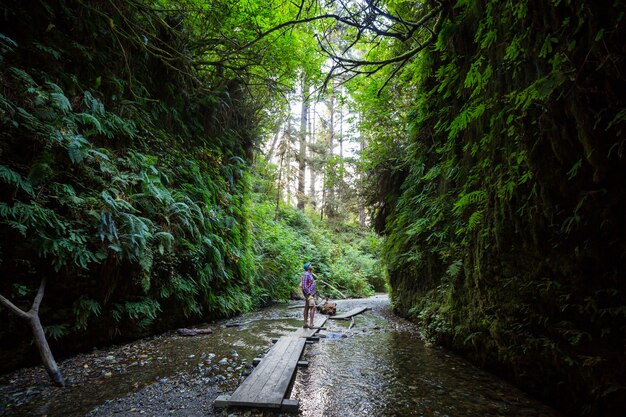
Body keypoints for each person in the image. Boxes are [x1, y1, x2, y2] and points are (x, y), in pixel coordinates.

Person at [301, 263, 317, 328]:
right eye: (310, 265)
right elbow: (304, 286)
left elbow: (311, 284)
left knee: (307, 307)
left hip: (311, 293)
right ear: (307, 267)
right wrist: (309, 293)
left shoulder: (310, 274)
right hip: (309, 294)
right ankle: (311, 324)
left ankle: (305, 323)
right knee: (312, 307)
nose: (311, 266)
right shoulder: (306, 274)